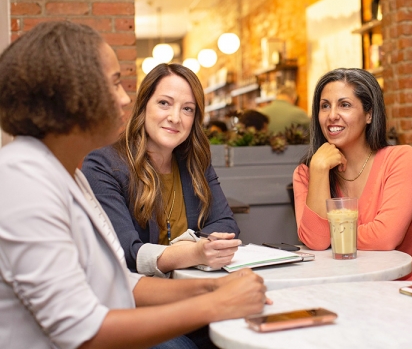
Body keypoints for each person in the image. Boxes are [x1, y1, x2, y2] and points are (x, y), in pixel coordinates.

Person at [0, 21, 267, 349]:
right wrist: (215, 304)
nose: (125, 100)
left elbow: (121, 283)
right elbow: (80, 332)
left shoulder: (69, 174)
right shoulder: (21, 179)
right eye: (114, 85)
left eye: (187, 109)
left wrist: (211, 289)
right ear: (71, 94)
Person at [82, 63, 240, 278]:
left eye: (187, 109)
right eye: (164, 103)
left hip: (193, 289)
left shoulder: (196, 161)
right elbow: (125, 251)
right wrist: (193, 252)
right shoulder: (103, 166)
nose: (175, 118)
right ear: (144, 106)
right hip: (137, 298)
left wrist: (191, 250)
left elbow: (226, 225)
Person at [293, 68, 412, 281]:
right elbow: (317, 242)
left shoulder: (402, 159)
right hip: (342, 291)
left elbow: (385, 238)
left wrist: (331, 235)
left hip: (401, 293)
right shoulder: (306, 173)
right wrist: (318, 170)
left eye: (344, 105)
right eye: (325, 106)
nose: (332, 115)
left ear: (369, 114)